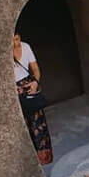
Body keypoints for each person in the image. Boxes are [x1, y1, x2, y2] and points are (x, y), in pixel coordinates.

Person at [12, 32, 53, 165]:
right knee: (22, 126)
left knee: (38, 124)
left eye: (17, 39)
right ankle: (28, 162)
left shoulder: (25, 47)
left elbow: (35, 68)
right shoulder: (3, 52)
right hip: (14, 90)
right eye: (12, 40)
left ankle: (44, 158)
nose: (15, 43)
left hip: (29, 86)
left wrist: (35, 82)